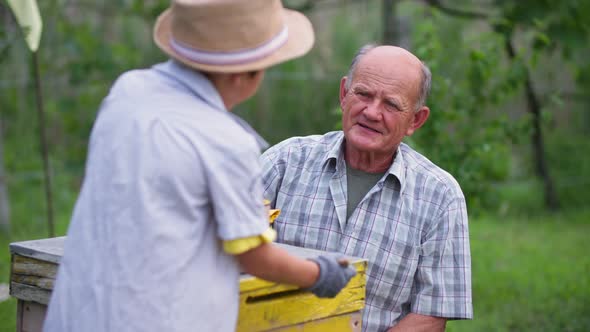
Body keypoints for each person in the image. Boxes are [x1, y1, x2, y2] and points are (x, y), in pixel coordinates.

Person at [43, 1, 356, 331]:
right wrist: (319, 274)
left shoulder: (127, 91)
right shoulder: (225, 142)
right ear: (243, 74)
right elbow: (252, 255)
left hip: (80, 312)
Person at [260, 44, 473, 332]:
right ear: (344, 94)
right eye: (363, 94)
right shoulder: (284, 162)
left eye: (391, 104)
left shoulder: (440, 196)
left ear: (415, 120)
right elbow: (223, 252)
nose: (372, 112)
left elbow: (431, 315)